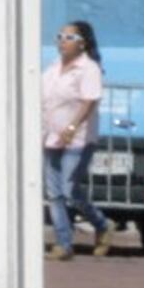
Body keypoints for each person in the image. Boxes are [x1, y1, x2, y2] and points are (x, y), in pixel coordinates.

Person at [40, 21, 115, 259]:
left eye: (69, 37)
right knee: (54, 192)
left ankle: (102, 224)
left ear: (82, 43)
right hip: (51, 136)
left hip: (78, 138)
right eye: (60, 36)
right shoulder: (53, 67)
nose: (62, 40)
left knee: (69, 189)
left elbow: (89, 100)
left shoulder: (88, 68)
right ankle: (64, 243)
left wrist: (72, 126)